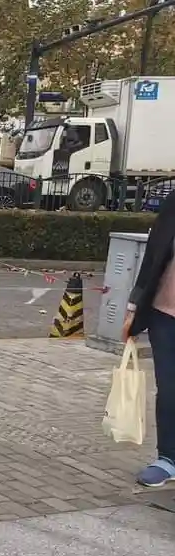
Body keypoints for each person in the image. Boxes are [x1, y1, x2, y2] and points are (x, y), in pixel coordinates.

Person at [122, 190, 175, 487]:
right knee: (169, 390)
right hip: (165, 314)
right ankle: (168, 458)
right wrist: (133, 306)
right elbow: (154, 255)